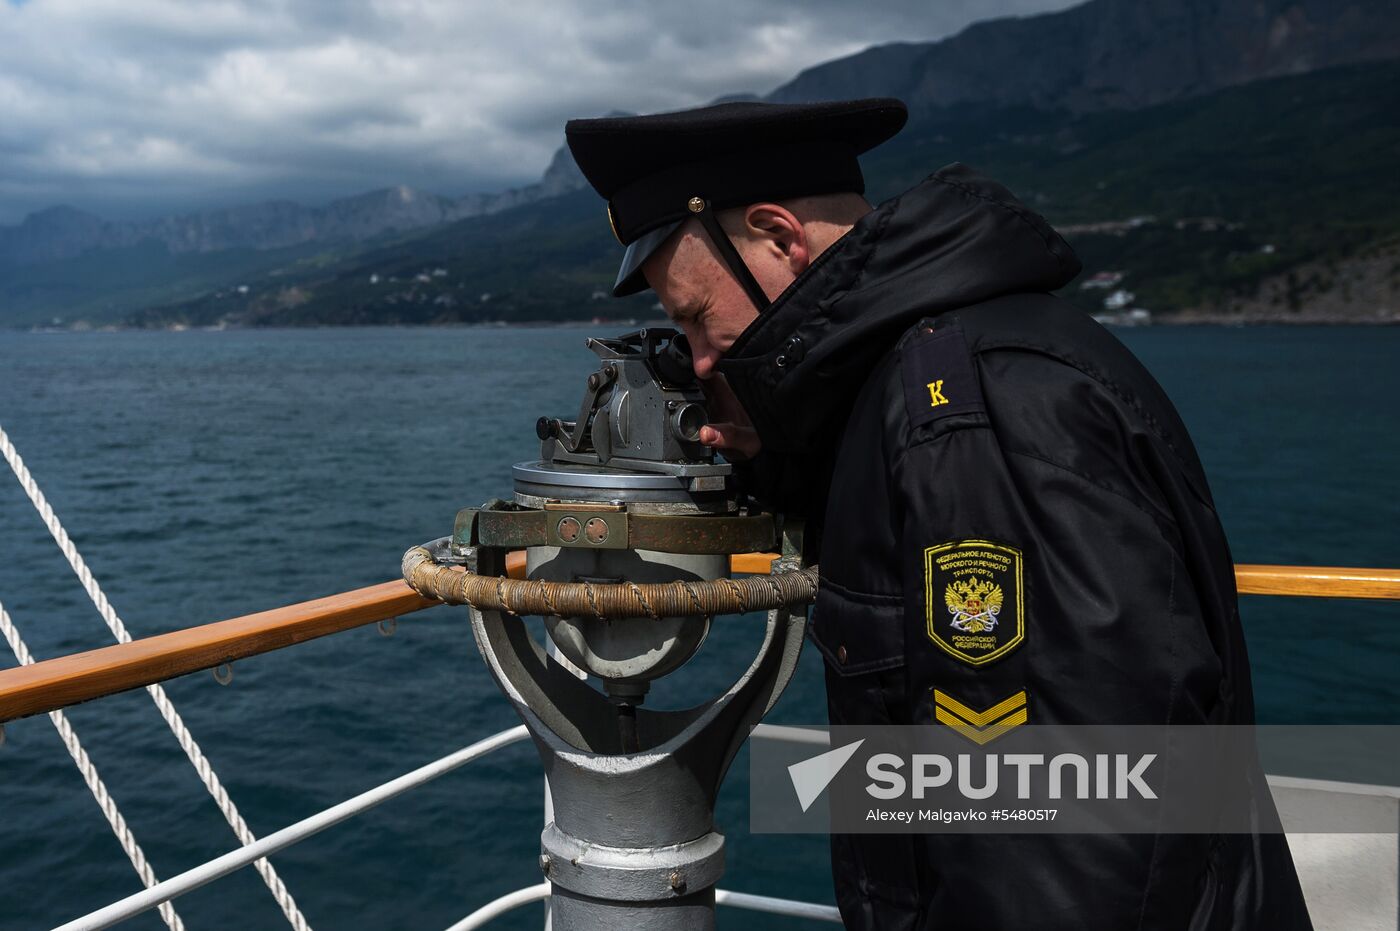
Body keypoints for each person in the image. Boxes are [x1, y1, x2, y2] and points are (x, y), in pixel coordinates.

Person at [565, 98, 1312, 929]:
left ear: (781, 238)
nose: (701, 360)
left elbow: (1063, 835)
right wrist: (775, 448)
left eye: (699, 320)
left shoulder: (969, 419)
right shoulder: (939, 379)